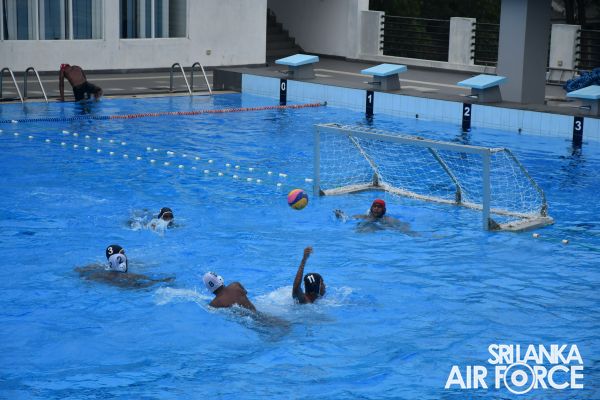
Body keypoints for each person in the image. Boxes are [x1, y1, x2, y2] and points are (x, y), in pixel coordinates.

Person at [75, 244, 174, 289]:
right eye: (122, 253)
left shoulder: (97, 269)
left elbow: (79, 271)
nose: (125, 256)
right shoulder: (130, 274)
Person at [335, 198, 418, 235]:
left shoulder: (389, 219)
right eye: (374, 206)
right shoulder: (363, 217)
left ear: (383, 210)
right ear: (371, 208)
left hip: (380, 232)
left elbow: (404, 226)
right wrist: (340, 216)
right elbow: (347, 219)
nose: (376, 208)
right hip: (364, 233)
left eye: (379, 207)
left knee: (370, 227)